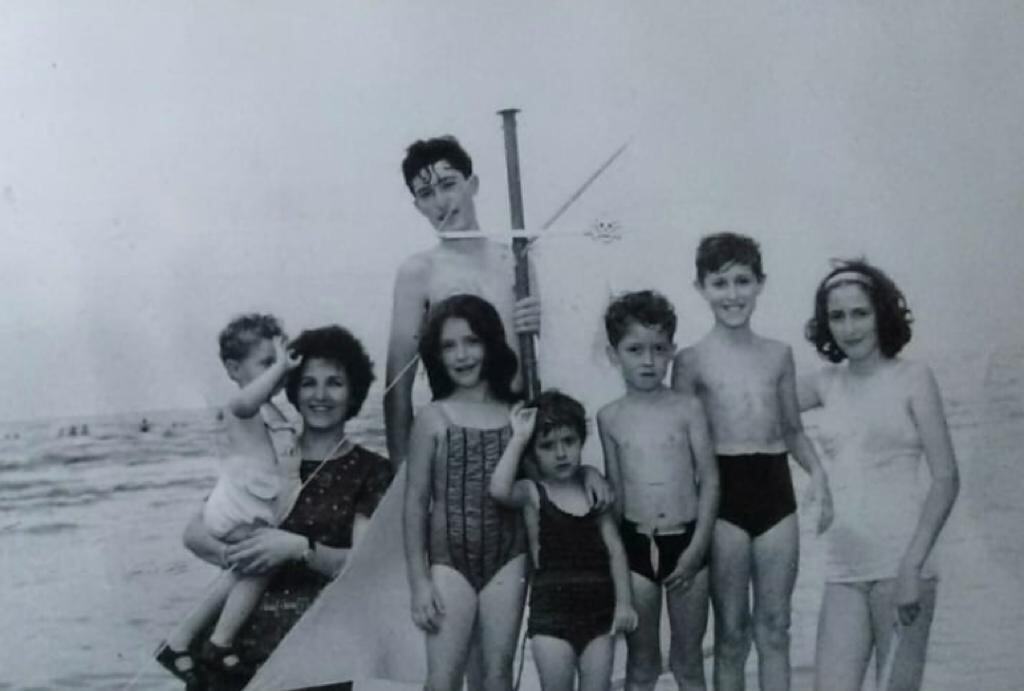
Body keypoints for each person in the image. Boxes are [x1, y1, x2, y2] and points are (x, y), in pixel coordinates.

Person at [172, 325, 394, 690]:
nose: (320, 395)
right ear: (289, 386)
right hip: (231, 654)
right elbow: (195, 532)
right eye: (308, 383)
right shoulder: (268, 449)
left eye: (334, 383)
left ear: (354, 389)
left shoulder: (370, 470)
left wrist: (297, 549)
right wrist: (245, 556)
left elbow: (362, 570)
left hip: (317, 652)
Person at [672, 233, 833, 691]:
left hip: (775, 488)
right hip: (722, 495)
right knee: (731, 634)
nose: (733, 294)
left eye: (743, 281)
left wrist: (819, 476)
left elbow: (793, 431)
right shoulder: (690, 361)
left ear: (761, 284)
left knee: (776, 625)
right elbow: (682, 445)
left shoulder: (778, 355)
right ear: (701, 288)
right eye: (720, 283)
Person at [800, 260, 959, 691]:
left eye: (860, 313)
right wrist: (813, 470)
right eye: (837, 316)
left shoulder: (913, 378)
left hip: (902, 564)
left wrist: (912, 566)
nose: (849, 328)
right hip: (843, 568)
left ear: (882, 314)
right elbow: (762, 412)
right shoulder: (823, 383)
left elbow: (946, 479)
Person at [157, 314, 303, 679]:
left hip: (253, 503)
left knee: (242, 569)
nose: (279, 372)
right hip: (239, 507)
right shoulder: (240, 406)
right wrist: (282, 366)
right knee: (261, 564)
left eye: (280, 362)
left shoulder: (272, 409)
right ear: (234, 369)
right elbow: (244, 405)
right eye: (267, 363)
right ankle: (219, 644)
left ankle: (178, 641)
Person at [385, 136, 540, 466]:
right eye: (427, 193)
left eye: (449, 184)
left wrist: (537, 327)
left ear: (473, 185)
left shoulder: (516, 260)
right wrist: (402, 471)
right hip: (455, 436)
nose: (441, 201)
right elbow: (397, 385)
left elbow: (540, 359)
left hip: (520, 431)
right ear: (418, 205)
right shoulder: (418, 272)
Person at [597, 291, 719, 691]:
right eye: (635, 350)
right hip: (635, 548)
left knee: (688, 664)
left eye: (658, 349)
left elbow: (710, 479)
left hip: (686, 544)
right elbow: (614, 493)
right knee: (641, 665)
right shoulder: (609, 417)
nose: (648, 361)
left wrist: (698, 548)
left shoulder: (688, 409)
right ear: (614, 354)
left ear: (672, 352)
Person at [490, 391, 638, 691]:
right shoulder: (533, 493)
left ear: (581, 442)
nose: (560, 453)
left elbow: (616, 552)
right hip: (551, 616)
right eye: (547, 446)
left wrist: (624, 603)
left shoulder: (593, 491)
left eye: (568, 442)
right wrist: (519, 438)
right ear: (533, 454)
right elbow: (499, 490)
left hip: (600, 613)